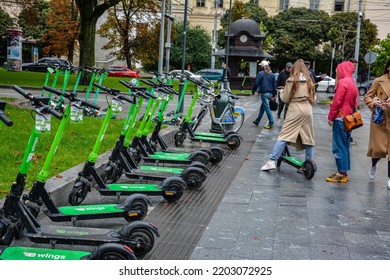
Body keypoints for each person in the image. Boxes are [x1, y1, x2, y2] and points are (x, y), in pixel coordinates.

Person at [261, 59, 316, 171]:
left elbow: (285, 98)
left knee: (284, 135)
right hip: (307, 109)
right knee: (308, 137)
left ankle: (272, 161)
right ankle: (309, 163)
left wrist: (281, 92)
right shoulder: (310, 81)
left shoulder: (291, 80)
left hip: (295, 108)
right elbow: (314, 99)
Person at [326, 61, 358, 183]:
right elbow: (351, 103)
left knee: (338, 147)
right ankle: (343, 171)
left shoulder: (343, 82)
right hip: (348, 119)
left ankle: (341, 173)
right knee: (345, 146)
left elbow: (337, 101)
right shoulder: (352, 83)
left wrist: (330, 116)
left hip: (340, 118)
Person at [363, 59, 390, 189]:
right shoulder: (379, 81)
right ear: (388, 68)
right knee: (378, 150)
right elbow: (367, 97)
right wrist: (374, 103)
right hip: (380, 119)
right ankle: (374, 164)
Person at [252, 60, 277, 129]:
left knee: (267, 108)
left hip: (264, 93)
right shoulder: (272, 74)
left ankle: (271, 123)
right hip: (270, 93)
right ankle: (257, 121)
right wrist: (274, 95)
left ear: (262, 67)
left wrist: (254, 91)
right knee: (262, 107)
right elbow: (274, 85)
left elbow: (256, 83)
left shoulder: (261, 73)